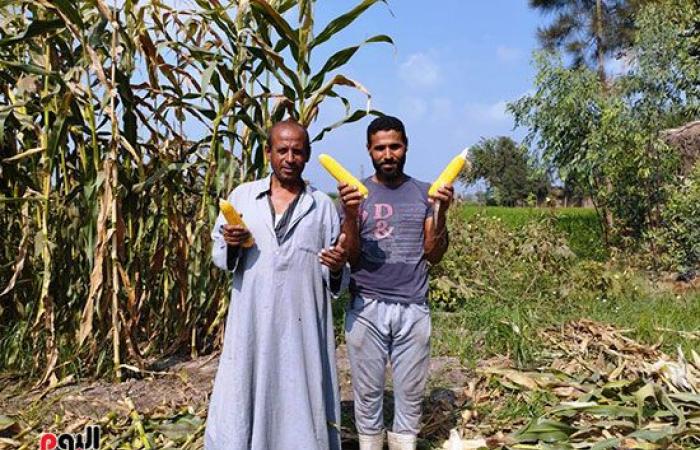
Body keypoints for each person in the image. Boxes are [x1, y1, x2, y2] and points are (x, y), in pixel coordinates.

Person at [204, 120, 349, 450]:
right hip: (252, 319)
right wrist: (232, 243)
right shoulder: (243, 197)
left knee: (302, 388)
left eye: (298, 151)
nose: (290, 157)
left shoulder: (322, 206)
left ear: (307, 155)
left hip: (303, 327)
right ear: (268, 152)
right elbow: (219, 253)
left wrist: (338, 266)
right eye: (282, 150)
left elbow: (335, 271)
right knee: (246, 386)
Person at [336, 116, 454, 450]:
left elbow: (433, 254)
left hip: (413, 307)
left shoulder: (424, 193)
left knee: (411, 393)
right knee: (367, 393)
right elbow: (352, 257)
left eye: (395, 146)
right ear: (369, 151)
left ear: (406, 147)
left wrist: (441, 211)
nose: (388, 154)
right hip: (366, 307)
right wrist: (348, 214)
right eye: (380, 148)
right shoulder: (355, 194)